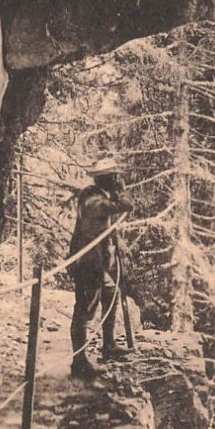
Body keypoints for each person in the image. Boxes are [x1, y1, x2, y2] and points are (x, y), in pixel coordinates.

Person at [67, 157, 133, 380]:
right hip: (88, 263)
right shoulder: (95, 202)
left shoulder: (93, 194)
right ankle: (79, 361)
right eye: (114, 177)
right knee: (84, 309)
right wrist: (122, 191)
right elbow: (126, 205)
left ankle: (108, 345)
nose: (117, 180)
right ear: (107, 179)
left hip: (95, 260)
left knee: (110, 296)